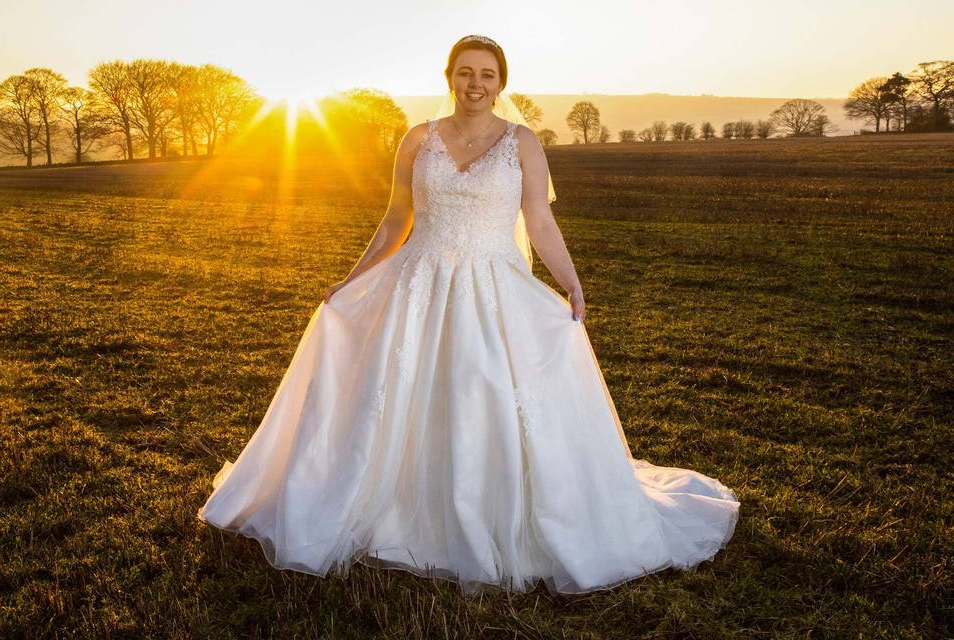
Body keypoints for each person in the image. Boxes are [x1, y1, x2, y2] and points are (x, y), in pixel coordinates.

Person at [197, 34, 740, 596]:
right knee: (407, 392)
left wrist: (571, 283)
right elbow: (395, 220)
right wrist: (352, 280)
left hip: (493, 287)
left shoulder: (522, 142)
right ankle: (396, 504)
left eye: (486, 74)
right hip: (419, 285)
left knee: (484, 391)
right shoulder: (417, 139)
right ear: (449, 77)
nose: (475, 83)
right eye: (464, 72)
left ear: (501, 83)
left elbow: (540, 222)